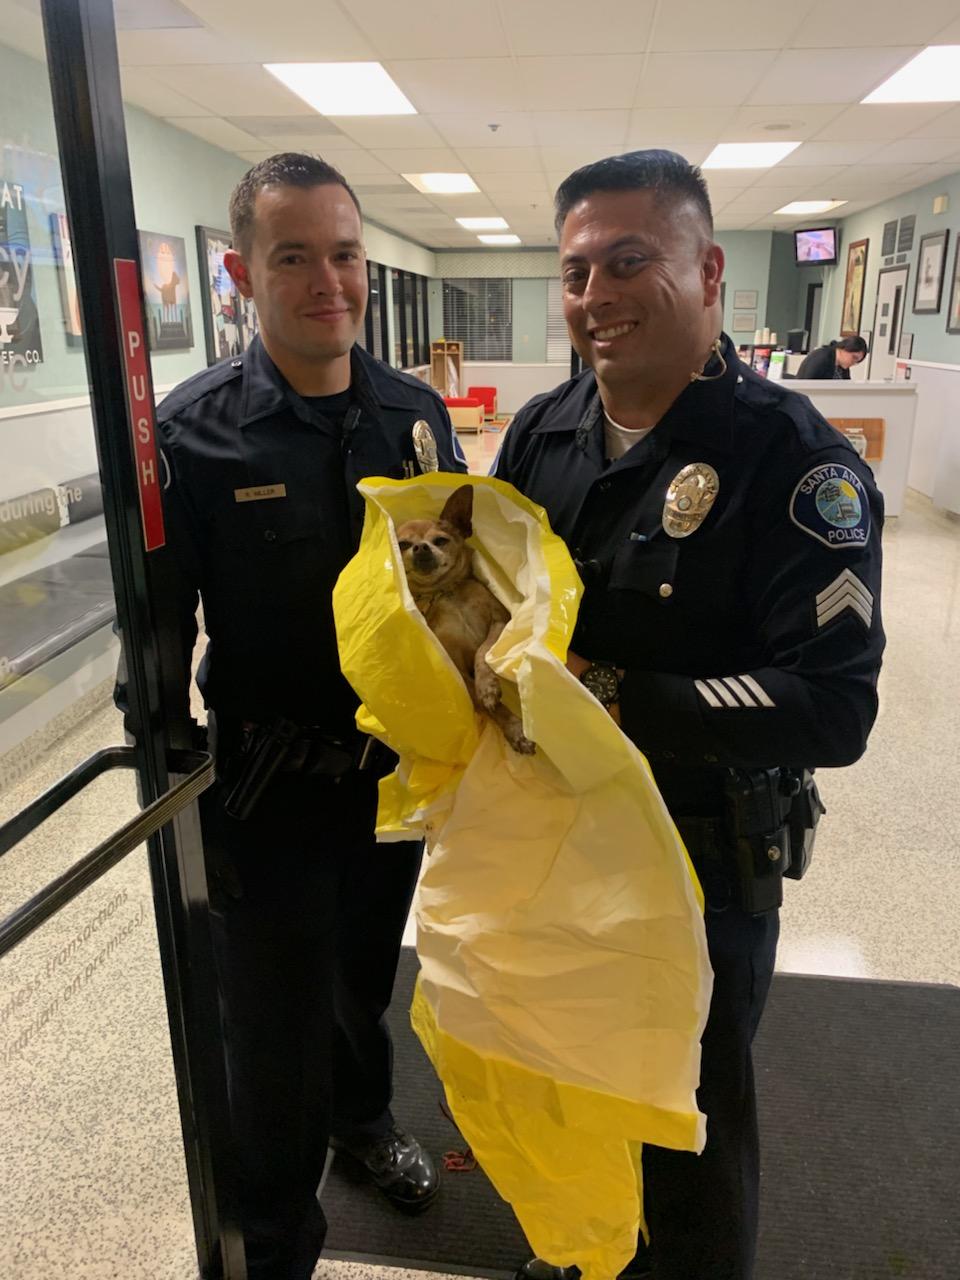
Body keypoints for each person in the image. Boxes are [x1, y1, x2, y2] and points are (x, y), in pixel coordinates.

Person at [493, 150, 884, 1280]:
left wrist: (617, 694)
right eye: (576, 272)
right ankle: (586, 1252)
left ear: (708, 271)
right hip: (557, 843)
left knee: (689, 1126)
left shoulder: (792, 459)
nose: (597, 296)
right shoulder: (543, 432)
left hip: (698, 858)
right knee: (573, 1084)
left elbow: (834, 705)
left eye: (629, 261)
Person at [131, 153, 466, 1280]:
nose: (329, 281)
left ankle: (363, 1123)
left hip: (387, 781)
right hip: (262, 792)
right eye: (294, 258)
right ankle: (273, 1246)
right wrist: (171, 781)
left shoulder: (415, 419)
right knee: (270, 1033)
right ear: (240, 274)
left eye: (344, 254)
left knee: (363, 978)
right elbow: (157, 635)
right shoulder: (193, 434)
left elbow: (453, 593)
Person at [796, 335, 868, 379]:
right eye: (854, 357)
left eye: (857, 361)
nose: (853, 363)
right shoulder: (822, 358)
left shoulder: (842, 367)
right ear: (845, 348)